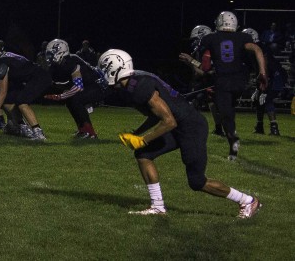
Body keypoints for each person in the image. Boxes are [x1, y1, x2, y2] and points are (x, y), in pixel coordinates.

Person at [98, 49, 261, 218]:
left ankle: (247, 201)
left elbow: (169, 121)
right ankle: (158, 206)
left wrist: (143, 139)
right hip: (180, 126)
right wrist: (137, 132)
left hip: (191, 127)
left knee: (197, 181)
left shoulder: (139, 86)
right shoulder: (134, 83)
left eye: (104, 69)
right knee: (143, 155)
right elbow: (158, 115)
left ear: (114, 68)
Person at [179, 11, 267, 160]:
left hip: (222, 82)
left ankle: (233, 142)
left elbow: (204, 70)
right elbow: (258, 50)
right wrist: (262, 73)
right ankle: (233, 141)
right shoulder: (244, 37)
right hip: (240, 82)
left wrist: (190, 61)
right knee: (229, 110)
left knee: (227, 115)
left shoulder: (210, 38)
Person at [43, 39, 109, 138]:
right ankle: (82, 129)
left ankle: (90, 133)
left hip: (100, 86)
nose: (49, 57)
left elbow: (78, 87)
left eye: (52, 54)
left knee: (75, 99)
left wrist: (60, 96)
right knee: (70, 100)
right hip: (91, 86)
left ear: (60, 52)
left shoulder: (71, 61)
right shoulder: (62, 63)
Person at [0, 44, 53, 140]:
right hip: (33, 77)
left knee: (22, 102)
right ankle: (20, 126)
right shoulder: (6, 55)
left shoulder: (1, 62)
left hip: (38, 77)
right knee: (8, 101)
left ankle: (38, 133)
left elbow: (3, 91)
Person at [178, 25, 224, 136]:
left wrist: (191, 62)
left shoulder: (208, 51)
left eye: (196, 39)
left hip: (209, 80)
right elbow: (202, 67)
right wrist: (192, 62)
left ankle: (190, 129)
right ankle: (218, 128)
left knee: (193, 102)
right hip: (208, 79)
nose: (194, 43)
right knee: (211, 103)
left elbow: (203, 72)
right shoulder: (206, 49)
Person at [242, 28, 284, 136]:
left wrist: (264, 86)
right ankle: (259, 126)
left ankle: (274, 128)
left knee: (267, 98)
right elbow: (258, 69)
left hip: (275, 77)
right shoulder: (252, 50)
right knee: (258, 100)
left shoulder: (260, 48)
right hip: (267, 76)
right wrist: (258, 87)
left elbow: (266, 68)